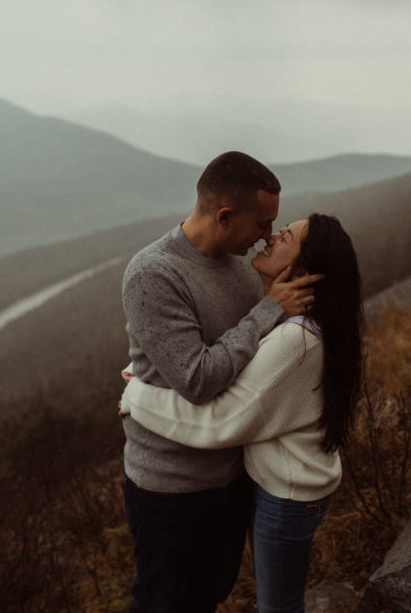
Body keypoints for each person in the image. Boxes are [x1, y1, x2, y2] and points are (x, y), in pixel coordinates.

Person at [121, 213, 364, 613]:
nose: (271, 235)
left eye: (285, 235)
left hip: (287, 498)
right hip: (287, 489)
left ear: (300, 270)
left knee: (277, 607)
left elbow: (220, 421)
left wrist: (138, 396)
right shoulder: (299, 325)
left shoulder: (295, 340)